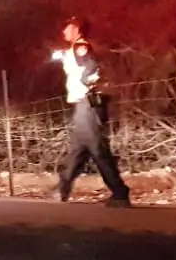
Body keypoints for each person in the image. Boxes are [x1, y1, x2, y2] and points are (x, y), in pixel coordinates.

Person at [51, 17, 132, 206]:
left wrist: (88, 81)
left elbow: (90, 67)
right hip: (83, 105)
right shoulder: (75, 49)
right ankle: (63, 188)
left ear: (77, 29)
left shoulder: (81, 47)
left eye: (67, 28)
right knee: (79, 149)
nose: (63, 32)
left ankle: (120, 192)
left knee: (97, 149)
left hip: (87, 104)